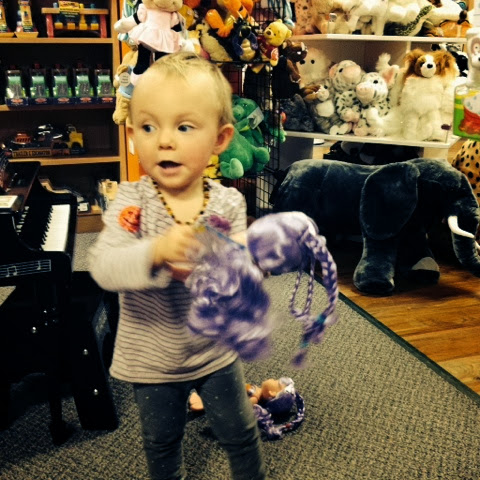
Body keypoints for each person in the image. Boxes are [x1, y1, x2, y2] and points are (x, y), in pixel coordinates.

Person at [88, 51, 266, 480]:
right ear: (133, 133)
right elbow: (103, 266)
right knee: (162, 442)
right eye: (149, 127)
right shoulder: (131, 202)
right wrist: (156, 252)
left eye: (184, 127)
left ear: (220, 139)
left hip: (214, 350)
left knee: (241, 433)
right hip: (151, 358)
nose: (164, 141)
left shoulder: (228, 203)